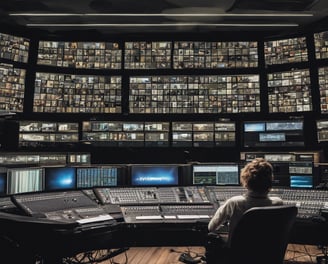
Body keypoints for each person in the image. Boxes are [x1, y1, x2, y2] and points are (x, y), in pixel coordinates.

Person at [205, 158, 283, 263]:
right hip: (266, 255)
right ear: (270, 181)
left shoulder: (235, 202)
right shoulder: (278, 203)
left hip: (237, 256)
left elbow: (211, 227)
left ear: (245, 180)